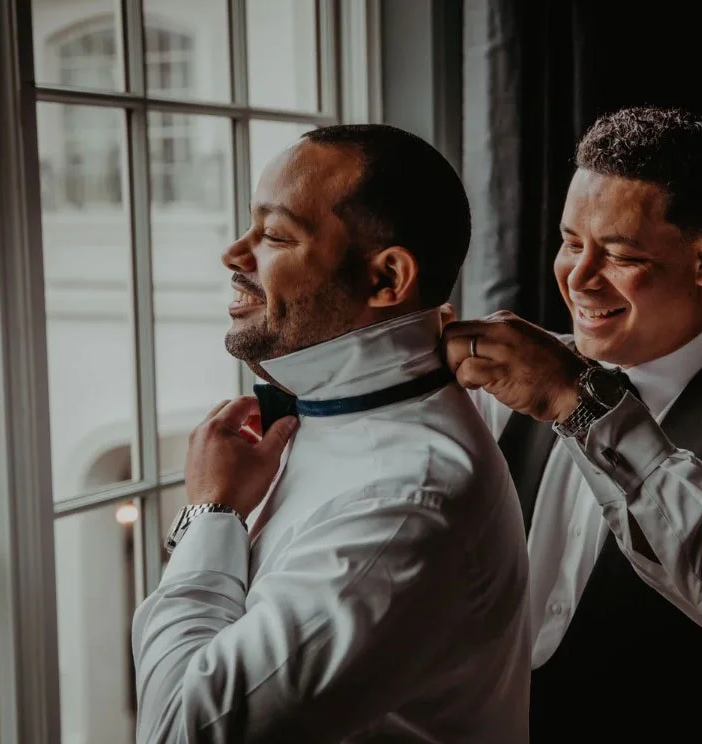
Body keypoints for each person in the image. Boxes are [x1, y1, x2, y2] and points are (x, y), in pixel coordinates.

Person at [442, 106, 702, 731]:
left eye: (620, 255)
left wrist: (579, 405)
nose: (579, 278)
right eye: (569, 242)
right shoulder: (509, 375)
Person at [132, 124, 531, 743]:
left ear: (385, 279)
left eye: (272, 234)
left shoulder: (403, 507)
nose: (235, 255)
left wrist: (209, 514)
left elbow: (177, 731)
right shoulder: (339, 406)